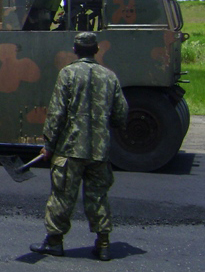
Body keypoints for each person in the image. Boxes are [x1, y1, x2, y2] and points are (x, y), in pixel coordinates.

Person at [30, 32, 128, 261]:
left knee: (62, 196)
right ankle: (103, 245)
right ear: (96, 50)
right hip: (99, 152)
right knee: (98, 197)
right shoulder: (110, 77)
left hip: (70, 149)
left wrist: (49, 145)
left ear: (75, 50)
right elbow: (122, 114)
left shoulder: (68, 74)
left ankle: (54, 242)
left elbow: (56, 114)